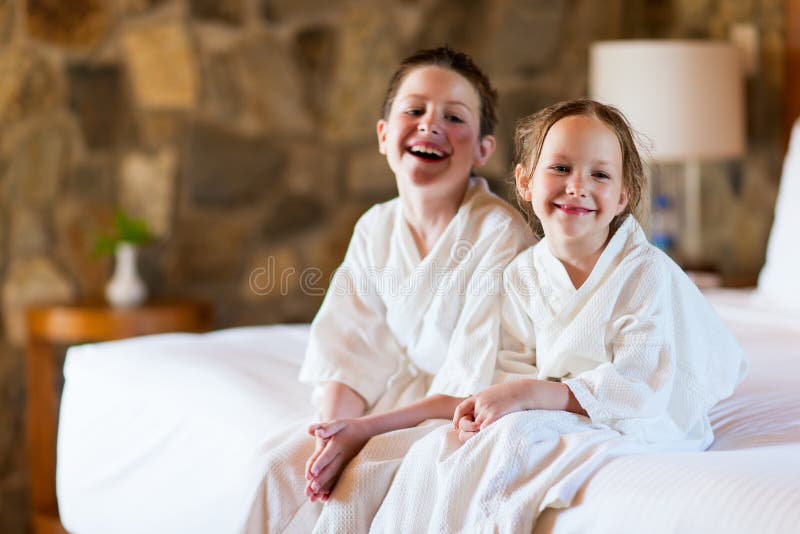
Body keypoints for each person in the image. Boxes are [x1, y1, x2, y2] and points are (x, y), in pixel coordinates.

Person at [368, 99, 749, 532]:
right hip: (556, 406)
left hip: (647, 415)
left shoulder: (644, 271)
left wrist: (535, 397)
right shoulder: (522, 274)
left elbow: (641, 380)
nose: (577, 187)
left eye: (600, 175)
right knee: (440, 449)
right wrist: (498, 406)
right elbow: (512, 366)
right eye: (561, 169)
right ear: (526, 182)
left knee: (514, 442)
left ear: (623, 196)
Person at [244, 47, 533, 532]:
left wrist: (364, 433)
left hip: (459, 415)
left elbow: (473, 383)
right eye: (414, 110)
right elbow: (351, 345)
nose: (430, 125)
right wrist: (332, 433)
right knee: (278, 467)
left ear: (483, 149)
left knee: (356, 487)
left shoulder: (500, 234)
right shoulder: (375, 227)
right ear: (383, 135)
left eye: (454, 117)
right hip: (394, 403)